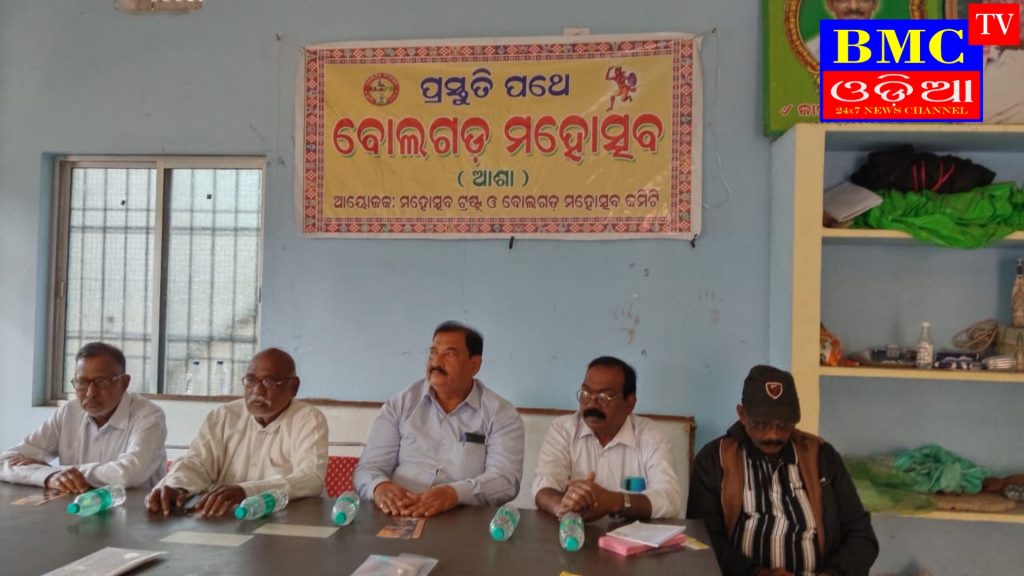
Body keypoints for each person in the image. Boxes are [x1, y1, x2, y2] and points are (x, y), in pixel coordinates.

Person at [688, 365, 878, 576]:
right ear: (742, 415)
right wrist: (759, 574)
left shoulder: (822, 456)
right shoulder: (715, 459)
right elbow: (703, 539)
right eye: (761, 424)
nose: (773, 435)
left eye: (783, 425)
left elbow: (862, 537)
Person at [354, 321, 524, 517]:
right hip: (400, 510)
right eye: (433, 353)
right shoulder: (400, 404)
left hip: (462, 516)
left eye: (449, 354)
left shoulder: (500, 414)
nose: (436, 362)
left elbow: (505, 480)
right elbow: (369, 467)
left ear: (474, 365)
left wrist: (456, 493)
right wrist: (380, 486)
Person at [147, 348, 327, 517]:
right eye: (250, 380)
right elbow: (197, 463)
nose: (257, 390)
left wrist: (246, 491)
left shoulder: (308, 419)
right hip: (225, 518)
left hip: (287, 519)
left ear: (293, 387)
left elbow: (311, 479)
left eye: (269, 381)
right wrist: (177, 486)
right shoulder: (224, 416)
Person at [0, 342, 167, 492]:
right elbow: (5, 461)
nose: (90, 393)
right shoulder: (68, 413)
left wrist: (56, 471)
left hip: (136, 512)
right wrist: (48, 477)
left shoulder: (149, 416)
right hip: (77, 508)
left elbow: (129, 474)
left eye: (101, 382)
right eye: (82, 382)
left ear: (124, 383)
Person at [533, 356, 682, 521]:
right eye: (585, 394)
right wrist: (563, 506)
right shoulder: (564, 430)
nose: (591, 404)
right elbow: (544, 485)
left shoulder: (651, 436)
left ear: (629, 403)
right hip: (575, 532)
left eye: (604, 397)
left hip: (632, 535)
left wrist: (615, 502)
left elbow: (670, 499)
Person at [805, 0, 881, 62]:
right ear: (830, 4)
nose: (853, 7)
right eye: (843, 0)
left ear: (875, 4)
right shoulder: (811, 53)